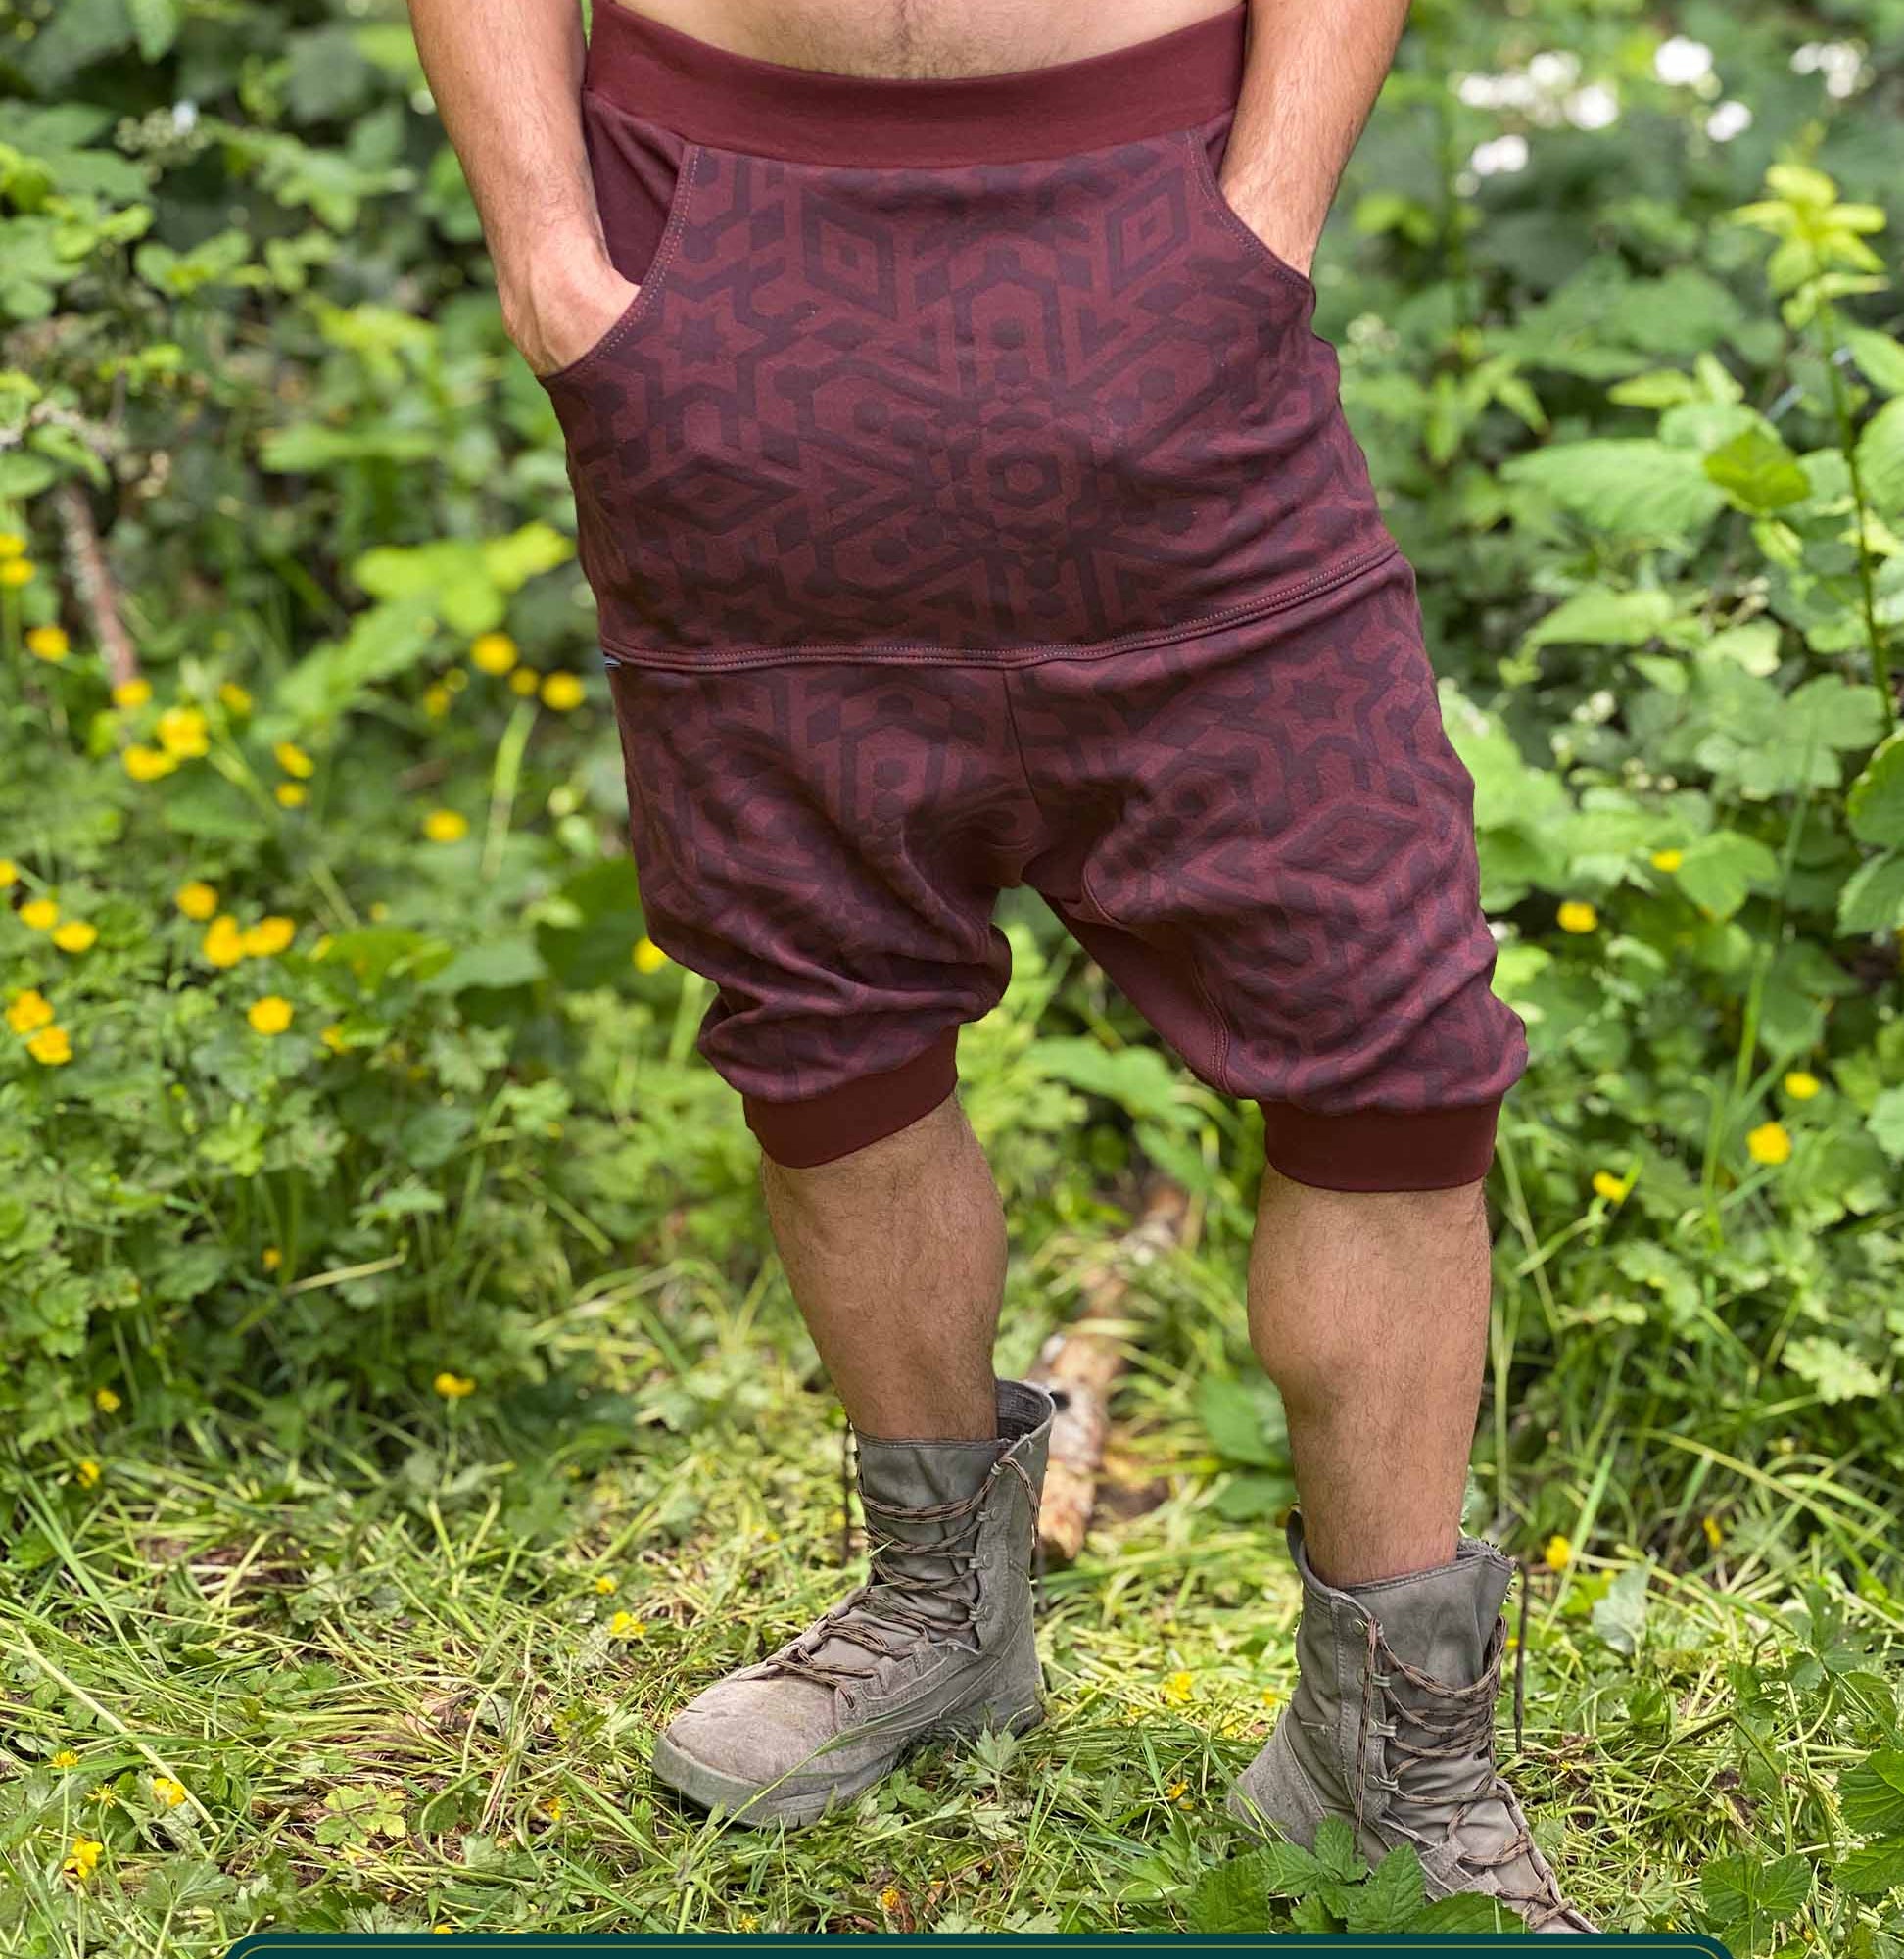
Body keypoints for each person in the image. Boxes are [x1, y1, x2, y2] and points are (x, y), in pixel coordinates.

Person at [406, 0, 1593, 1930]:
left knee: (1389, 1040)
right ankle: (942, 1606)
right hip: (720, 242)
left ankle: (1391, 1749)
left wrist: (1262, 217)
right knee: (818, 1003)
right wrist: (554, 264)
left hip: (1152, 221)